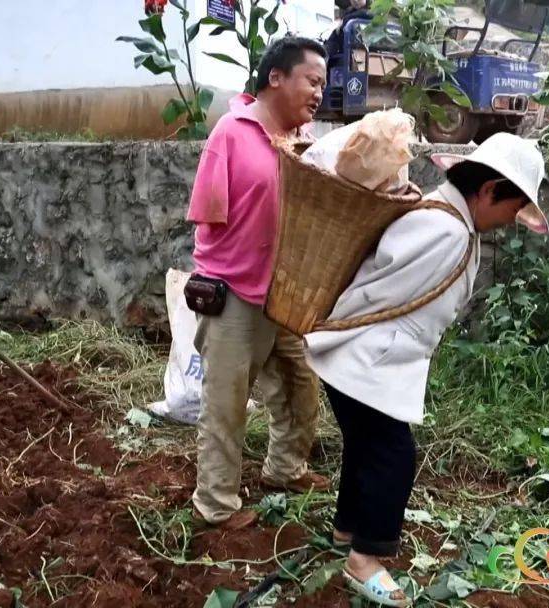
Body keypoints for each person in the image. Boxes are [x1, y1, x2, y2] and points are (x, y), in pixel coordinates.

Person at [304, 133, 549, 606]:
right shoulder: (446, 230)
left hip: (372, 359)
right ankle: (365, 560)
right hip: (368, 359)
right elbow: (381, 292)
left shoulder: (451, 220)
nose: (509, 223)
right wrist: (336, 333)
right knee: (393, 456)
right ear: (490, 190)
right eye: (511, 208)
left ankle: (345, 531)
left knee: (366, 446)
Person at [186, 37, 331, 530]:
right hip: (233, 296)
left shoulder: (301, 140)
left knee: (299, 384)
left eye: (322, 86)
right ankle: (216, 504)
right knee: (226, 403)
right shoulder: (232, 131)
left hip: (283, 293)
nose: (318, 94)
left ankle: (284, 470)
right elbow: (207, 216)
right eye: (312, 81)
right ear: (276, 77)